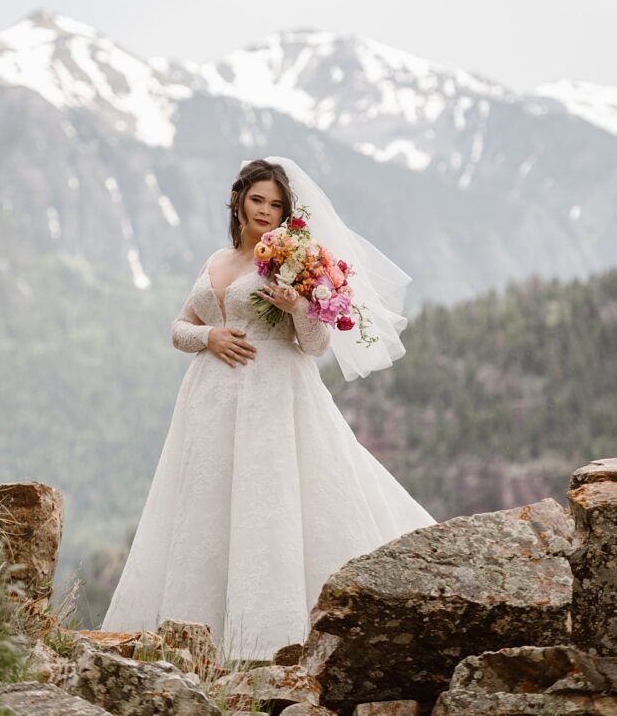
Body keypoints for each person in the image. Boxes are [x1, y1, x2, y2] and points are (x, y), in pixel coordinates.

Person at [100, 157, 436, 661]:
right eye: (257, 199)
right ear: (238, 200)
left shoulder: (294, 258)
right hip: (209, 399)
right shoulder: (215, 259)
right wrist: (209, 335)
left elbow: (317, 342)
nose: (265, 210)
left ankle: (268, 638)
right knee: (206, 504)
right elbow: (177, 329)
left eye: (276, 204)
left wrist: (296, 306)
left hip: (273, 392)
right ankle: (196, 636)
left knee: (267, 499)